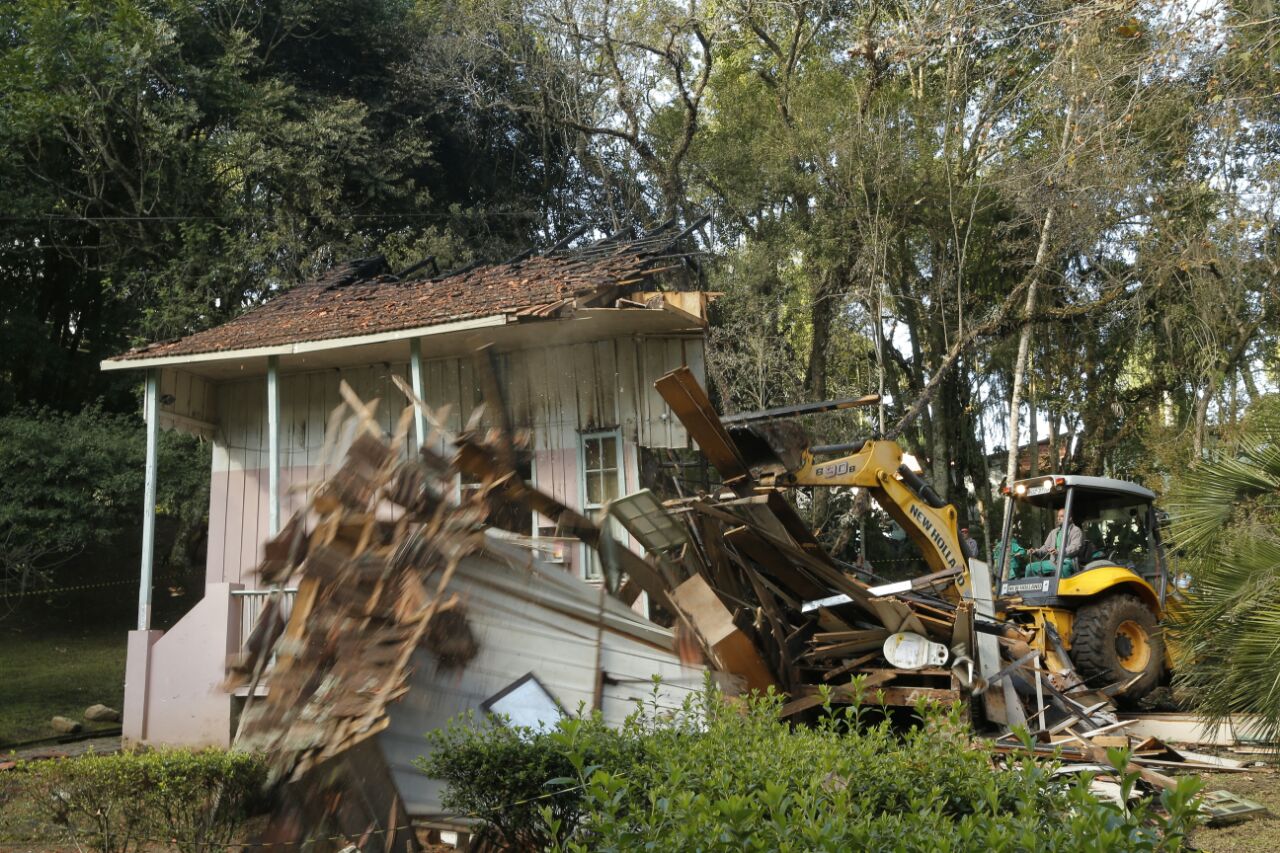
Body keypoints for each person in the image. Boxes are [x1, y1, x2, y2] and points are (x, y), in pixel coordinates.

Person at [1024, 508, 1083, 577]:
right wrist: (1035, 552)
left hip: (1067, 562)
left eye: (1062, 516)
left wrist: (1059, 552)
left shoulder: (1075, 530)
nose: (1058, 518)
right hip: (1052, 563)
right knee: (1029, 568)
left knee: (1062, 569)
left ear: (1070, 518)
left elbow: (1075, 547)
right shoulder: (1054, 532)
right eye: (1058, 516)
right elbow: (1045, 548)